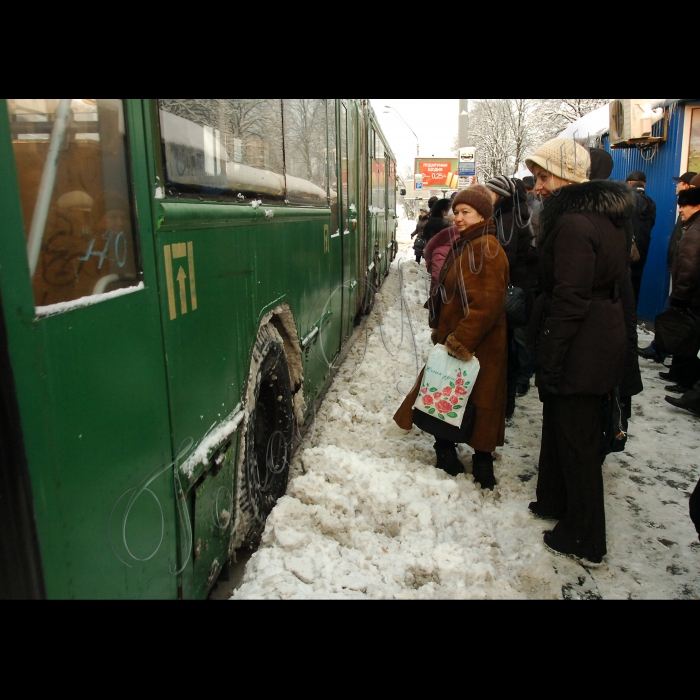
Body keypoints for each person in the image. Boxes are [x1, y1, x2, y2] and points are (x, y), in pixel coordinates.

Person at [525, 137, 631, 566]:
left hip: (581, 342)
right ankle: (553, 500)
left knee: (578, 441)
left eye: (543, 176)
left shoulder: (572, 224)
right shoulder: (604, 216)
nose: (537, 187)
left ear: (568, 175)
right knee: (563, 427)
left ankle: (586, 538)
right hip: (600, 335)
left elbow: (570, 298)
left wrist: (550, 356)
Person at [393, 186, 508, 490]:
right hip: (462, 337)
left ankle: (480, 461)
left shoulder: (486, 248)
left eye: (465, 212)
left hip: (477, 342)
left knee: (475, 400)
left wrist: (460, 342)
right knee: (451, 393)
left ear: (482, 214)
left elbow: (486, 305)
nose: (457, 217)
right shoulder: (468, 242)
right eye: (456, 212)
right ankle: (445, 449)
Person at [485, 176, 532, 415]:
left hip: (509, 291)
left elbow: (505, 260)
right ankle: (505, 402)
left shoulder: (505, 219)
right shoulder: (512, 215)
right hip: (516, 289)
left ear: (500, 195)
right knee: (510, 348)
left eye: (489, 192)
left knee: (505, 349)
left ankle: (504, 405)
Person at [638, 171, 697, 363]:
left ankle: (673, 363)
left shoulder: (695, 227)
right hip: (682, 278)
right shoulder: (690, 218)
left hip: (688, 288)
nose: (676, 185)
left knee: (679, 323)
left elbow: (690, 260)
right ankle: (665, 355)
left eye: (679, 183)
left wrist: (680, 296)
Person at [661, 185, 700, 392]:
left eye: (685, 206)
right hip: (694, 298)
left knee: (688, 342)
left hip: (692, 300)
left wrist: (679, 300)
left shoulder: (694, 233)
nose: (680, 210)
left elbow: (689, 270)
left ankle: (686, 384)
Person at [626, 170, 657, 307]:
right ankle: (631, 325)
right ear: (644, 185)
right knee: (634, 292)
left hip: (625, 254)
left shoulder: (625, 200)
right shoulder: (651, 204)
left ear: (629, 183)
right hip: (641, 254)